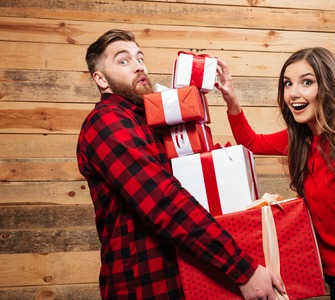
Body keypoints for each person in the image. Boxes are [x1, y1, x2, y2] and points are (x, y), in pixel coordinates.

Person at [77, 29, 286, 300]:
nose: (139, 65)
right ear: (100, 79)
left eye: (140, 57)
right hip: (143, 286)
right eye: (123, 60)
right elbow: (163, 200)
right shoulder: (106, 122)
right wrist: (240, 268)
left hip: (182, 279)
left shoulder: (150, 121)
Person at [214, 47, 335, 299]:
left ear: (327, 87)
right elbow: (250, 142)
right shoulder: (300, 140)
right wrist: (231, 99)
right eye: (287, 84)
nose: (293, 93)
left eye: (306, 82)